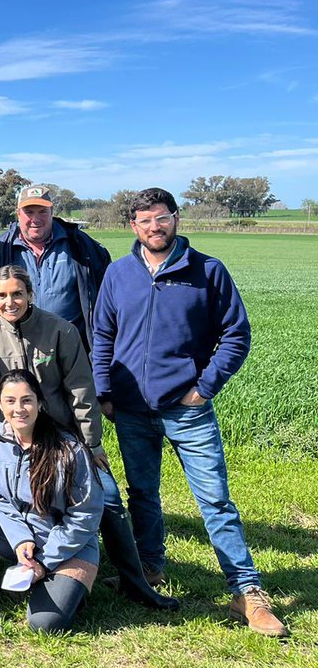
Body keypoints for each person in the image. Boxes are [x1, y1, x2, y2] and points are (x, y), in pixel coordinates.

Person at [92, 187, 288, 637]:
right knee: (142, 494)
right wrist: (105, 392)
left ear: (176, 219)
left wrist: (203, 388)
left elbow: (236, 334)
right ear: (133, 226)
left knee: (215, 500)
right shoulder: (119, 273)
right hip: (131, 409)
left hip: (188, 409)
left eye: (161, 218)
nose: (154, 227)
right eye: (144, 221)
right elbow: (102, 336)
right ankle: (149, 570)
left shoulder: (207, 271)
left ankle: (247, 592)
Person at [0, 265, 177, 611]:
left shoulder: (60, 331)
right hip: (22, 436)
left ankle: (137, 580)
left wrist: (92, 443)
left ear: (30, 295)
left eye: (17, 294)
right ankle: (41, 565)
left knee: (109, 500)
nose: (11, 302)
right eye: (2, 296)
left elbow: (81, 390)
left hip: (66, 437)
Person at [0, 370, 103, 634]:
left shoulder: (68, 449)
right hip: (22, 539)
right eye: (10, 401)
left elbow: (86, 515)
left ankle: (63, 585)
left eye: (27, 400)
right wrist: (19, 538)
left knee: (45, 625)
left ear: (39, 402)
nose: (19, 409)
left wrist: (45, 562)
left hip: (68, 547)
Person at [0, 185, 110, 349]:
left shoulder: (83, 247)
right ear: (18, 214)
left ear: (52, 212)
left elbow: (107, 300)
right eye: (29, 212)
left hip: (72, 348)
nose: (35, 219)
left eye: (42, 211)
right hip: (15, 350)